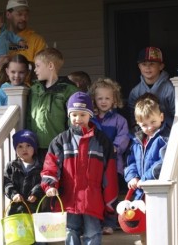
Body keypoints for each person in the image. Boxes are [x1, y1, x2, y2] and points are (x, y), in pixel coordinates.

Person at [40, 91, 118, 245]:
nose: (78, 119)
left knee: (93, 232)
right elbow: (50, 166)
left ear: (90, 115)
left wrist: (109, 202)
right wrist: (50, 185)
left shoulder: (102, 141)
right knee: (70, 231)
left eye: (83, 115)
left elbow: (109, 174)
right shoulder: (60, 141)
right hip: (68, 198)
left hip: (93, 198)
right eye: (74, 114)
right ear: (69, 115)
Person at [0, 0, 46, 103]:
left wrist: (24, 67)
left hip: (26, 96)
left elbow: (43, 73)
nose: (24, 18)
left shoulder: (37, 40)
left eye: (26, 14)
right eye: (19, 14)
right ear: (8, 15)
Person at [124, 93, 170, 245]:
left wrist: (145, 179)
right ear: (138, 123)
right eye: (144, 124)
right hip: (140, 192)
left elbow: (162, 162)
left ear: (161, 117)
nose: (149, 127)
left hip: (156, 190)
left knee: (158, 221)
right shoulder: (137, 140)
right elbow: (130, 160)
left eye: (153, 122)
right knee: (143, 222)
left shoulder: (164, 138)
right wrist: (132, 176)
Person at [89, 78, 130, 235]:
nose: (103, 101)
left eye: (107, 98)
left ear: (114, 99)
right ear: (94, 99)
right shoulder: (90, 119)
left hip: (113, 163)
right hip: (94, 164)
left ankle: (110, 223)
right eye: (100, 98)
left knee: (111, 193)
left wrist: (115, 147)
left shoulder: (119, 120)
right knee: (96, 194)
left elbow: (124, 137)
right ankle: (96, 222)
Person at [26, 47, 78, 162]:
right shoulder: (34, 90)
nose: (35, 70)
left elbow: (73, 121)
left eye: (38, 66)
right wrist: (28, 141)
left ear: (50, 66)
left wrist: (69, 144)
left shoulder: (69, 91)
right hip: (36, 148)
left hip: (60, 147)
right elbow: (29, 118)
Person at [3, 129, 46, 245]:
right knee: (20, 239)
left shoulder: (40, 166)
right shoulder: (11, 166)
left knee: (38, 239)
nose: (24, 149)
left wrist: (35, 193)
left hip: (35, 210)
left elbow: (43, 183)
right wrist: (14, 194)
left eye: (28, 145)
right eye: (20, 146)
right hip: (17, 211)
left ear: (34, 148)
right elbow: (6, 182)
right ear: (16, 149)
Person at [128, 46, 175, 129]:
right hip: (144, 132)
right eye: (144, 64)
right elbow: (133, 117)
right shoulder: (135, 92)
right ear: (139, 66)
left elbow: (176, 115)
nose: (147, 67)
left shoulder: (170, 89)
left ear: (161, 66)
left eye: (152, 64)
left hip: (168, 132)